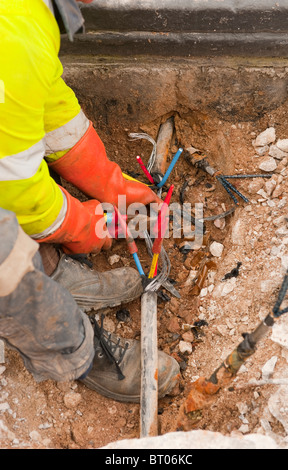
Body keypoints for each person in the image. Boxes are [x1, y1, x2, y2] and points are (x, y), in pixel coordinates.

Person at [0, 0, 180, 402]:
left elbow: (46, 104)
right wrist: (81, 226)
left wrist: (109, 182)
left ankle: (50, 270)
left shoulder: (21, 18)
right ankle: (75, 352)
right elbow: (15, 193)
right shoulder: (11, 42)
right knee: (4, 266)